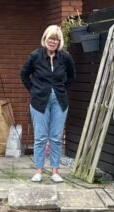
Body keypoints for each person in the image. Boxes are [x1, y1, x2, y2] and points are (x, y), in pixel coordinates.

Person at [19, 25, 76, 183]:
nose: (53, 41)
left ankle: (55, 171)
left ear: (59, 41)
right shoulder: (35, 56)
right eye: (51, 38)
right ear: (45, 39)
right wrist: (34, 90)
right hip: (39, 101)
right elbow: (24, 74)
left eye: (56, 39)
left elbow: (71, 76)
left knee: (56, 137)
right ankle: (38, 171)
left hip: (60, 101)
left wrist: (62, 90)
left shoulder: (65, 57)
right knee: (41, 138)